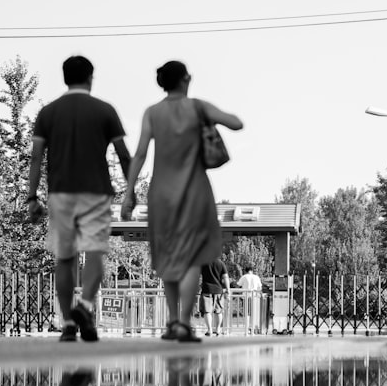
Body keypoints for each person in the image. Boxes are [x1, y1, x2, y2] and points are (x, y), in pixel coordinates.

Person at [120, 60, 242, 342]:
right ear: (186, 79)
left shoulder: (152, 112)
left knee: (169, 258)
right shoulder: (198, 107)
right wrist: (211, 117)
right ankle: (184, 322)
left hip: (162, 193)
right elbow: (237, 124)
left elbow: (139, 155)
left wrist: (129, 194)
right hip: (195, 192)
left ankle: (174, 321)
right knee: (191, 259)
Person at [27, 56, 131, 342]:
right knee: (95, 251)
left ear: (64, 78)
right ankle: (85, 306)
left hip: (60, 193)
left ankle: (69, 323)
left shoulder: (47, 113)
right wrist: (131, 192)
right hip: (96, 192)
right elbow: (123, 155)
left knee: (65, 258)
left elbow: (37, 156)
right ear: (91, 77)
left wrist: (31, 196)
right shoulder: (105, 111)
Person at [200, 257, 230, 336]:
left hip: (206, 289)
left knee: (207, 311)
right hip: (218, 290)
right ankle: (217, 329)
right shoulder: (220, 263)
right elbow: (225, 277)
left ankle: (209, 330)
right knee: (218, 311)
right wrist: (228, 289)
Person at [235, 264, 263, 334]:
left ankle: (247, 328)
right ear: (252, 271)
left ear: (246, 271)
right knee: (254, 312)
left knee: (247, 313)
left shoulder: (244, 277)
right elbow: (260, 287)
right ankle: (254, 328)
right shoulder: (256, 277)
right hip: (255, 297)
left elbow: (238, 285)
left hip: (246, 297)